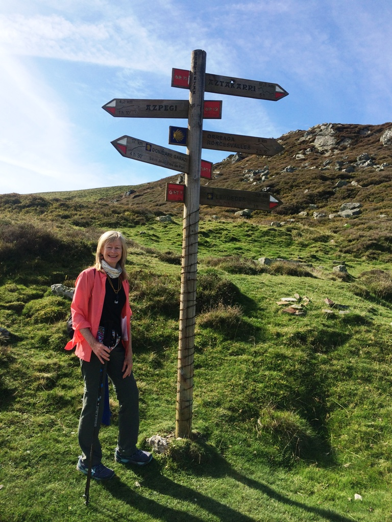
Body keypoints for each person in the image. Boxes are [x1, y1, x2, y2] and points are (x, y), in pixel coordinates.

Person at [65, 230, 152, 480]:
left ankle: (125, 450)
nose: (113, 251)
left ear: (123, 252)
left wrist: (129, 353)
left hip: (116, 347)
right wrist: (92, 343)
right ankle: (89, 460)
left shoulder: (122, 279)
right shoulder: (89, 276)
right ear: (101, 250)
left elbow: (125, 319)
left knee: (130, 395)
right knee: (93, 402)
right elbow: (77, 314)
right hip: (93, 348)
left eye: (118, 248)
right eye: (109, 247)